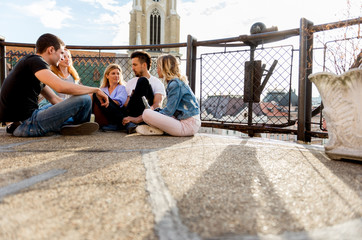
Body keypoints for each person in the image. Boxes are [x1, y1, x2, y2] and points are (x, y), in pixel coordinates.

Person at [0, 33, 109, 137]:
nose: (62, 57)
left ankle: (69, 124)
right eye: (61, 53)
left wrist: (71, 109)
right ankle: (74, 125)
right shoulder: (36, 61)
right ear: (51, 50)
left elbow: (54, 99)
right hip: (29, 124)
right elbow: (60, 87)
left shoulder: (32, 66)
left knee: (75, 100)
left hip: (22, 123)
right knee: (85, 99)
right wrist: (96, 90)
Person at [136, 54, 201, 136]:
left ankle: (158, 129)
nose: (157, 70)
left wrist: (153, 113)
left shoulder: (175, 84)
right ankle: (158, 130)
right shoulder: (176, 82)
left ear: (164, 68)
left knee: (146, 113)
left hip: (187, 126)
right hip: (189, 123)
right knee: (150, 112)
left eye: (158, 67)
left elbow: (169, 112)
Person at [121, 51, 166, 133]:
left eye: (135, 65)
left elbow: (157, 105)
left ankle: (136, 124)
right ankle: (133, 125)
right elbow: (126, 104)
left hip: (147, 114)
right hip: (132, 113)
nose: (132, 68)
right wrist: (134, 97)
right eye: (132, 65)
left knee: (143, 81)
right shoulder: (130, 82)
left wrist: (139, 118)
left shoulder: (157, 83)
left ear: (144, 65)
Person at [92, 64, 128, 131]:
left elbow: (118, 102)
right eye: (113, 73)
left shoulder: (122, 88)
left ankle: (116, 125)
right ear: (107, 76)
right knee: (95, 94)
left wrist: (104, 100)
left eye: (118, 74)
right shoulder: (103, 89)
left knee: (96, 93)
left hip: (118, 113)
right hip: (104, 113)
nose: (116, 76)